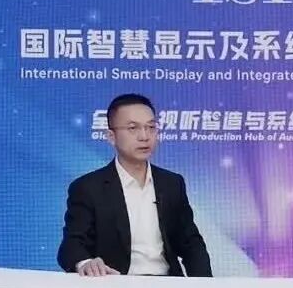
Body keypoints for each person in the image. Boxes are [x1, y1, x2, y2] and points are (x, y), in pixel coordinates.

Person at [58, 93, 212, 276]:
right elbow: (72, 245)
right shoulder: (88, 188)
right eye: (133, 128)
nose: (144, 136)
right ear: (111, 136)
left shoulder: (172, 183)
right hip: (115, 284)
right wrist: (86, 263)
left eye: (151, 127)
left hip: (166, 284)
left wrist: (205, 286)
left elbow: (191, 244)